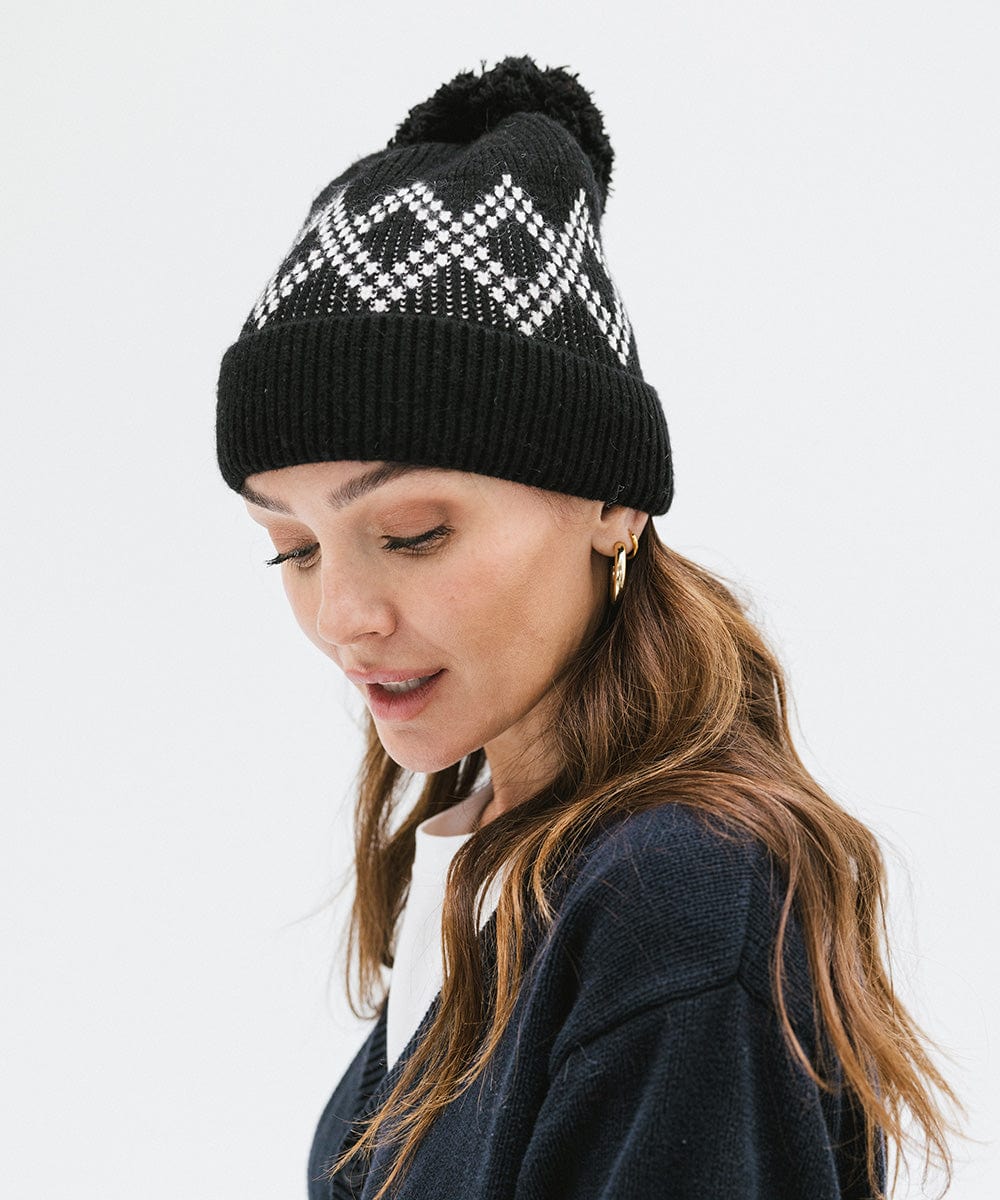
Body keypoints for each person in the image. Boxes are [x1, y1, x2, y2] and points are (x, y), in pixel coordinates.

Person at [215, 55, 958, 1200]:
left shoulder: (675, 895)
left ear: (613, 501)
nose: (340, 616)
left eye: (413, 532)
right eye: (293, 548)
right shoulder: (487, 858)